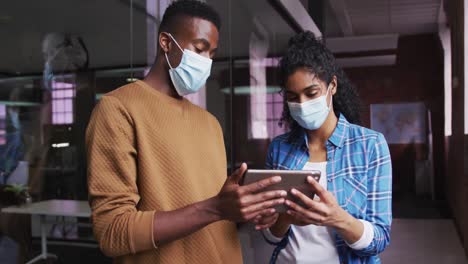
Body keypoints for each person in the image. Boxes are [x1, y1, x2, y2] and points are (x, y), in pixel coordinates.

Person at [86, 1, 285, 263]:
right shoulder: (118, 109)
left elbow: (214, 217)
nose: (206, 62)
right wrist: (215, 208)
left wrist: (244, 210)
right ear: (166, 43)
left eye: (212, 54)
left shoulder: (209, 123)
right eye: (199, 49)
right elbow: (112, 232)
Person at [254, 31, 392, 263]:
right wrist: (285, 218)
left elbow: (380, 239)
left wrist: (337, 218)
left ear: (332, 86)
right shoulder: (279, 148)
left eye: (311, 93)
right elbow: (272, 237)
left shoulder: (370, 145)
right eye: (293, 97)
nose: (303, 104)